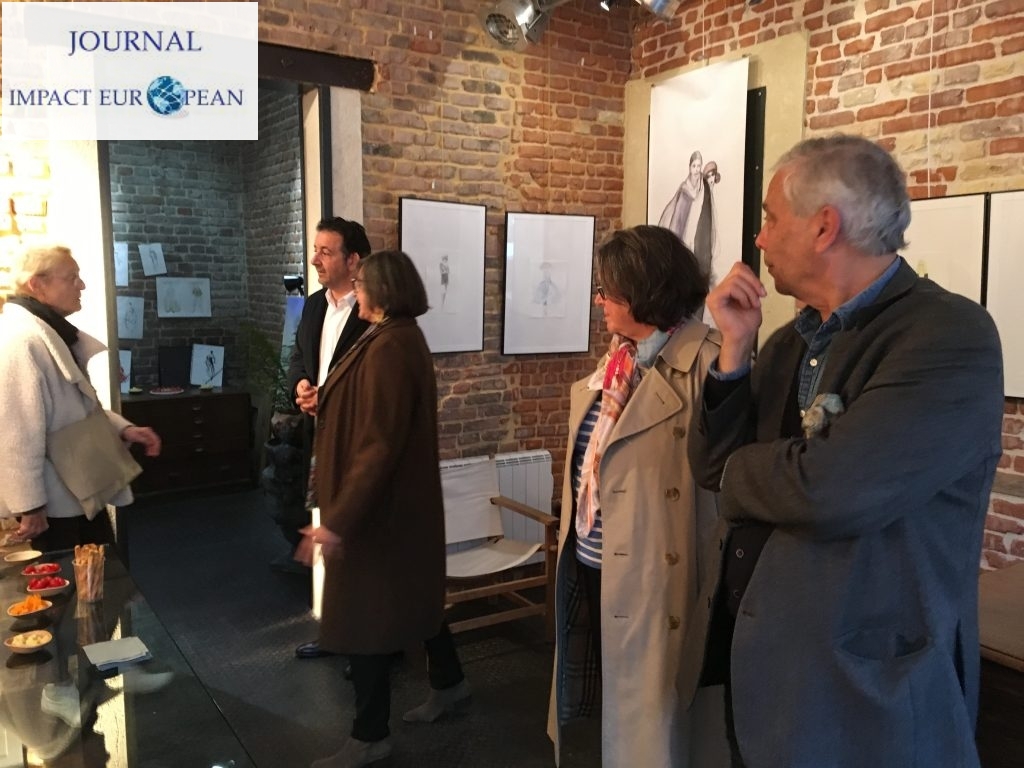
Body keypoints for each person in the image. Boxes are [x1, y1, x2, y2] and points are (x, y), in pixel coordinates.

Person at [683, 135, 1004, 768]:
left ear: (824, 226)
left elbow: (833, 491)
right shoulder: (787, 344)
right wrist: (734, 351)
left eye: (771, 218)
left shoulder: (947, 336)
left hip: (866, 698)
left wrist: (752, 472)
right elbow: (709, 466)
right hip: (770, 678)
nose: (760, 238)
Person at [547, 225, 729, 767]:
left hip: (657, 579)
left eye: (608, 290)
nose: (598, 300)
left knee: (653, 725)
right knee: (614, 708)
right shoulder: (619, 360)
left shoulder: (710, 364)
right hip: (595, 564)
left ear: (645, 292)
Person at [297, 250, 468, 768]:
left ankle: (370, 735)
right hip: (390, 509)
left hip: (378, 513)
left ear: (383, 289)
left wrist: (337, 521)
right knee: (412, 600)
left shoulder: (393, 343)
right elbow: (369, 410)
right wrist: (326, 398)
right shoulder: (390, 335)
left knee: (366, 621)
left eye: (362, 284)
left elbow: (379, 443)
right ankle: (450, 683)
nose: (356, 292)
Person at [0, 245, 162, 552]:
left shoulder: (48, 333)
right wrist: (30, 506)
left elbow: (72, 408)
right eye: (71, 277)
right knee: (73, 577)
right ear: (36, 284)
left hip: (74, 490)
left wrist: (124, 429)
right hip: (53, 507)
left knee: (98, 572)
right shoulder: (21, 341)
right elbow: (15, 432)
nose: (82, 285)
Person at [282, 217, 371, 646]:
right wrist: (300, 386)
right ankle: (337, 629)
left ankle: (362, 640)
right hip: (317, 435)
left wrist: (330, 398)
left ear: (353, 260)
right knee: (325, 531)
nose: (315, 260)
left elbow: (369, 381)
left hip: (352, 440)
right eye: (315, 250)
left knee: (353, 541)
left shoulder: (372, 312)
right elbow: (298, 358)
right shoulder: (314, 305)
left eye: (325, 252)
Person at [659, 150, 720, 281]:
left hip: (698, 229)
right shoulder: (684, 189)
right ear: (689, 167)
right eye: (694, 166)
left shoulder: (703, 186)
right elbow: (678, 219)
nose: (696, 170)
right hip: (685, 230)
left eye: (699, 166)